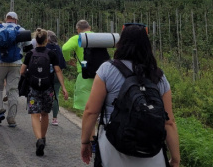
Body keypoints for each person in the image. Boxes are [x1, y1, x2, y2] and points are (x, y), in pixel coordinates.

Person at [80, 24, 180, 167]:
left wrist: (85, 142)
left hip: (113, 146)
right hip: (151, 150)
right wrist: (175, 159)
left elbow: (91, 111)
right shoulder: (158, 76)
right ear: (147, 46)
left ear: (121, 44)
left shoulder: (107, 70)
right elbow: (169, 121)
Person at [21, 28, 69, 156]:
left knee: (35, 114)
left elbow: (22, 71)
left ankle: (38, 139)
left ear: (35, 40)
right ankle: (43, 137)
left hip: (33, 88)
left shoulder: (30, 53)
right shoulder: (51, 54)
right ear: (47, 40)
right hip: (48, 88)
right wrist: (63, 87)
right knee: (45, 113)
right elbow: (58, 71)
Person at [0, 11, 29, 128]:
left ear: (6, 18)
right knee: (12, 90)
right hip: (15, 63)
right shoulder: (21, 30)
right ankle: (11, 118)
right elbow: (28, 47)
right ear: (16, 20)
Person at [62, 20, 94, 110]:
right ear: (90, 27)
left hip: (85, 74)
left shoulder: (78, 37)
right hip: (101, 74)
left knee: (85, 108)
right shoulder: (97, 36)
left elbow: (65, 48)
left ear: (78, 29)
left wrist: (68, 60)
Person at [47, 30, 66, 126]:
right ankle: (55, 119)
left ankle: (43, 115)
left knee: (45, 94)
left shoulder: (45, 48)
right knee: (56, 95)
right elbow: (62, 64)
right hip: (57, 75)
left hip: (46, 75)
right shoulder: (58, 48)